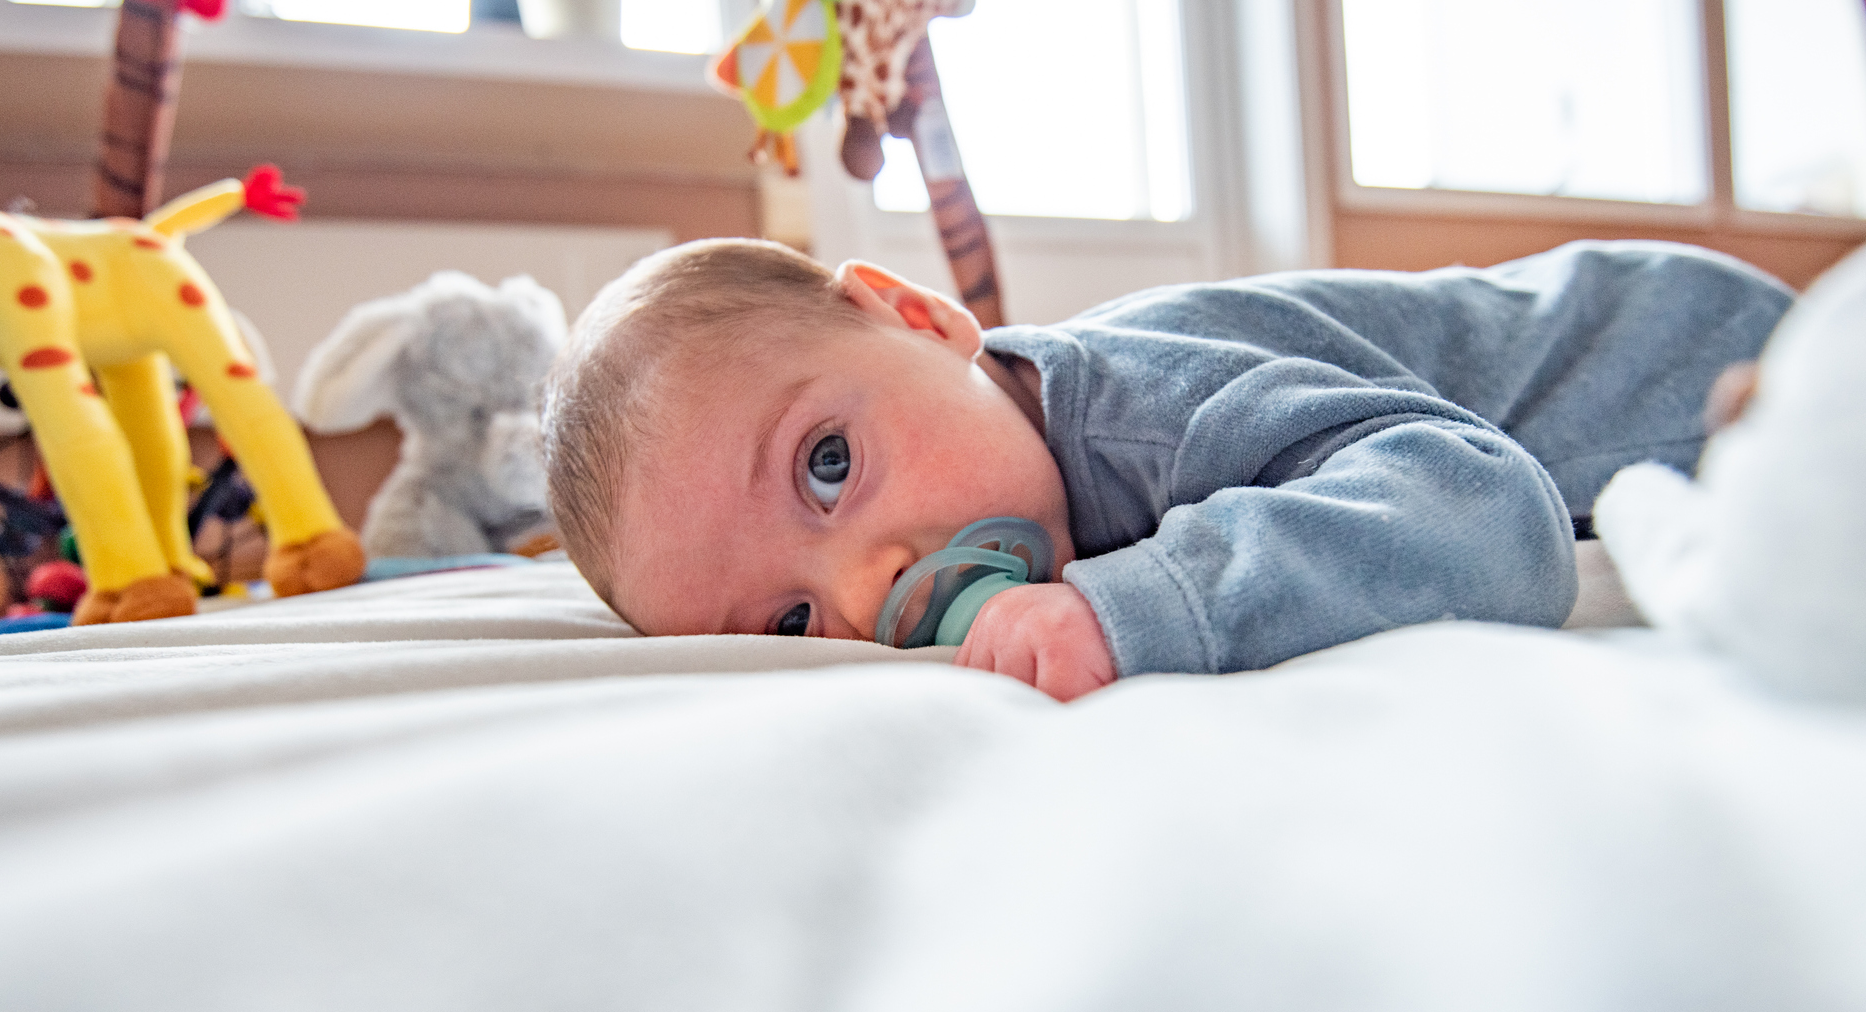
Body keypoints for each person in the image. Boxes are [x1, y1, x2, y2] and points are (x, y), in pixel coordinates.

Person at [540, 238, 1791, 700]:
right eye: (792, 617)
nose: (870, 590)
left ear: (918, 318)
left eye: (826, 463)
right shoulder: (1008, 469)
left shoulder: (1147, 402)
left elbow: (1485, 508)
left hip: (1698, 361)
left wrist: (1139, 603)